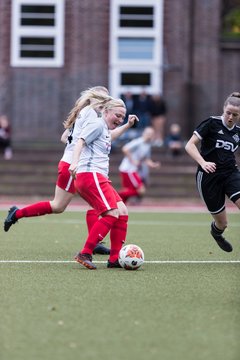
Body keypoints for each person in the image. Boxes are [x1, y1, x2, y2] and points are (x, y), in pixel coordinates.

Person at [3, 86, 112, 255]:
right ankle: (17, 213)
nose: (105, 104)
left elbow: (64, 137)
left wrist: (74, 146)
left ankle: (95, 242)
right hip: (72, 166)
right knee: (58, 205)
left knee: (95, 204)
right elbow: (77, 140)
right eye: (102, 100)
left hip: (75, 164)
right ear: (91, 99)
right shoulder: (91, 114)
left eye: (107, 100)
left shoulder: (85, 113)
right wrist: (75, 153)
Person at [69, 98, 139, 269]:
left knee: (122, 211)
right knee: (111, 214)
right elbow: (80, 141)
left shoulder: (104, 129)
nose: (120, 119)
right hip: (90, 175)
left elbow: (110, 136)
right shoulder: (98, 125)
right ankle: (85, 252)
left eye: (122, 117)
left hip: (97, 177)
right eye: (118, 115)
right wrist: (74, 162)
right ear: (105, 111)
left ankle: (114, 259)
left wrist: (127, 125)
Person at [185, 92, 240, 252]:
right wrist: (203, 162)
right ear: (223, 109)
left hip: (231, 174)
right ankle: (217, 233)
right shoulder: (211, 123)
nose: (230, 117)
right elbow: (189, 145)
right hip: (208, 177)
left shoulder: (237, 132)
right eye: (228, 112)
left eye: (235, 115)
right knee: (222, 224)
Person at [118, 127, 160, 203]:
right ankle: (116, 196)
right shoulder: (138, 142)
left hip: (130, 170)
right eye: (148, 133)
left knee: (127, 193)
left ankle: (119, 207)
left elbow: (146, 159)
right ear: (143, 133)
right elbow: (125, 149)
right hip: (128, 169)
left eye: (151, 134)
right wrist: (133, 161)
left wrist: (153, 165)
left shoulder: (147, 145)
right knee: (141, 190)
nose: (149, 136)